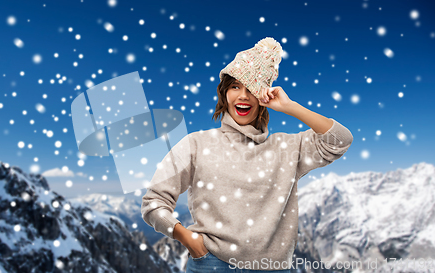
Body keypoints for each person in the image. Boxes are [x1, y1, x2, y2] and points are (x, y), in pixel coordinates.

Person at [141, 37, 353, 272]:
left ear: (264, 99)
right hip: (211, 264)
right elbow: (154, 202)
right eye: (235, 86)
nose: (243, 95)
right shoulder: (196, 144)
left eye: (251, 88)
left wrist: (290, 107)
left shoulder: (288, 147)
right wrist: (189, 240)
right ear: (224, 93)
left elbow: (340, 140)